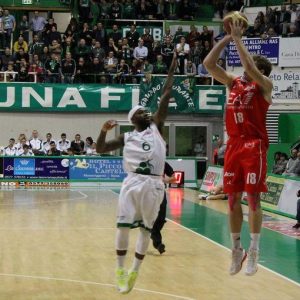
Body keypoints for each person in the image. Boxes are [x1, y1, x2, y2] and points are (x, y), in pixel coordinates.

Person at [96, 52, 177, 294]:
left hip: (154, 184)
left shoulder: (157, 127)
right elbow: (100, 149)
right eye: (142, 112)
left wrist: (172, 69)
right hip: (132, 182)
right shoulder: (127, 136)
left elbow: (165, 95)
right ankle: (120, 269)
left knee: (145, 230)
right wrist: (102, 131)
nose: (147, 112)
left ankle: (134, 272)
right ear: (134, 119)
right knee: (122, 227)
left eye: (146, 110)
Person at [204, 20, 273, 276]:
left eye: (250, 68)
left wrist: (237, 39)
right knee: (232, 198)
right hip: (234, 145)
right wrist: (225, 38)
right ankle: (236, 248)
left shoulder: (264, 85)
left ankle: (254, 248)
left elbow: (249, 67)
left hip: (254, 146)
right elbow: (209, 65)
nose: (243, 71)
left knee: (253, 197)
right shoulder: (233, 84)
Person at [151, 162, 176, 254]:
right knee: (149, 218)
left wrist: (165, 180)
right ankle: (158, 243)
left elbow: (174, 178)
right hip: (147, 192)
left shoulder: (164, 163)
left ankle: (154, 238)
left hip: (161, 192)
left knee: (161, 218)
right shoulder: (145, 162)